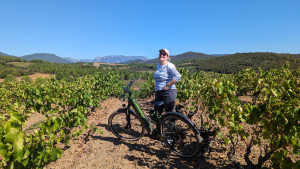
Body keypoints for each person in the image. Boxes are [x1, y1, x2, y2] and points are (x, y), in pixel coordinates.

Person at [153, 49, 181, 115]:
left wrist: (167, 85)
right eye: (160, 53)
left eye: (164, 54)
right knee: (157, 114)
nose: (161, 55)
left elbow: (178, 76)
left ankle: (171, 125)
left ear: (167, 57)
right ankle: (159, 125)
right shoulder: (158, 66)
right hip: (159, 93)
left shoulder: (169, 65)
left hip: (168, 93)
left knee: (169, 115)